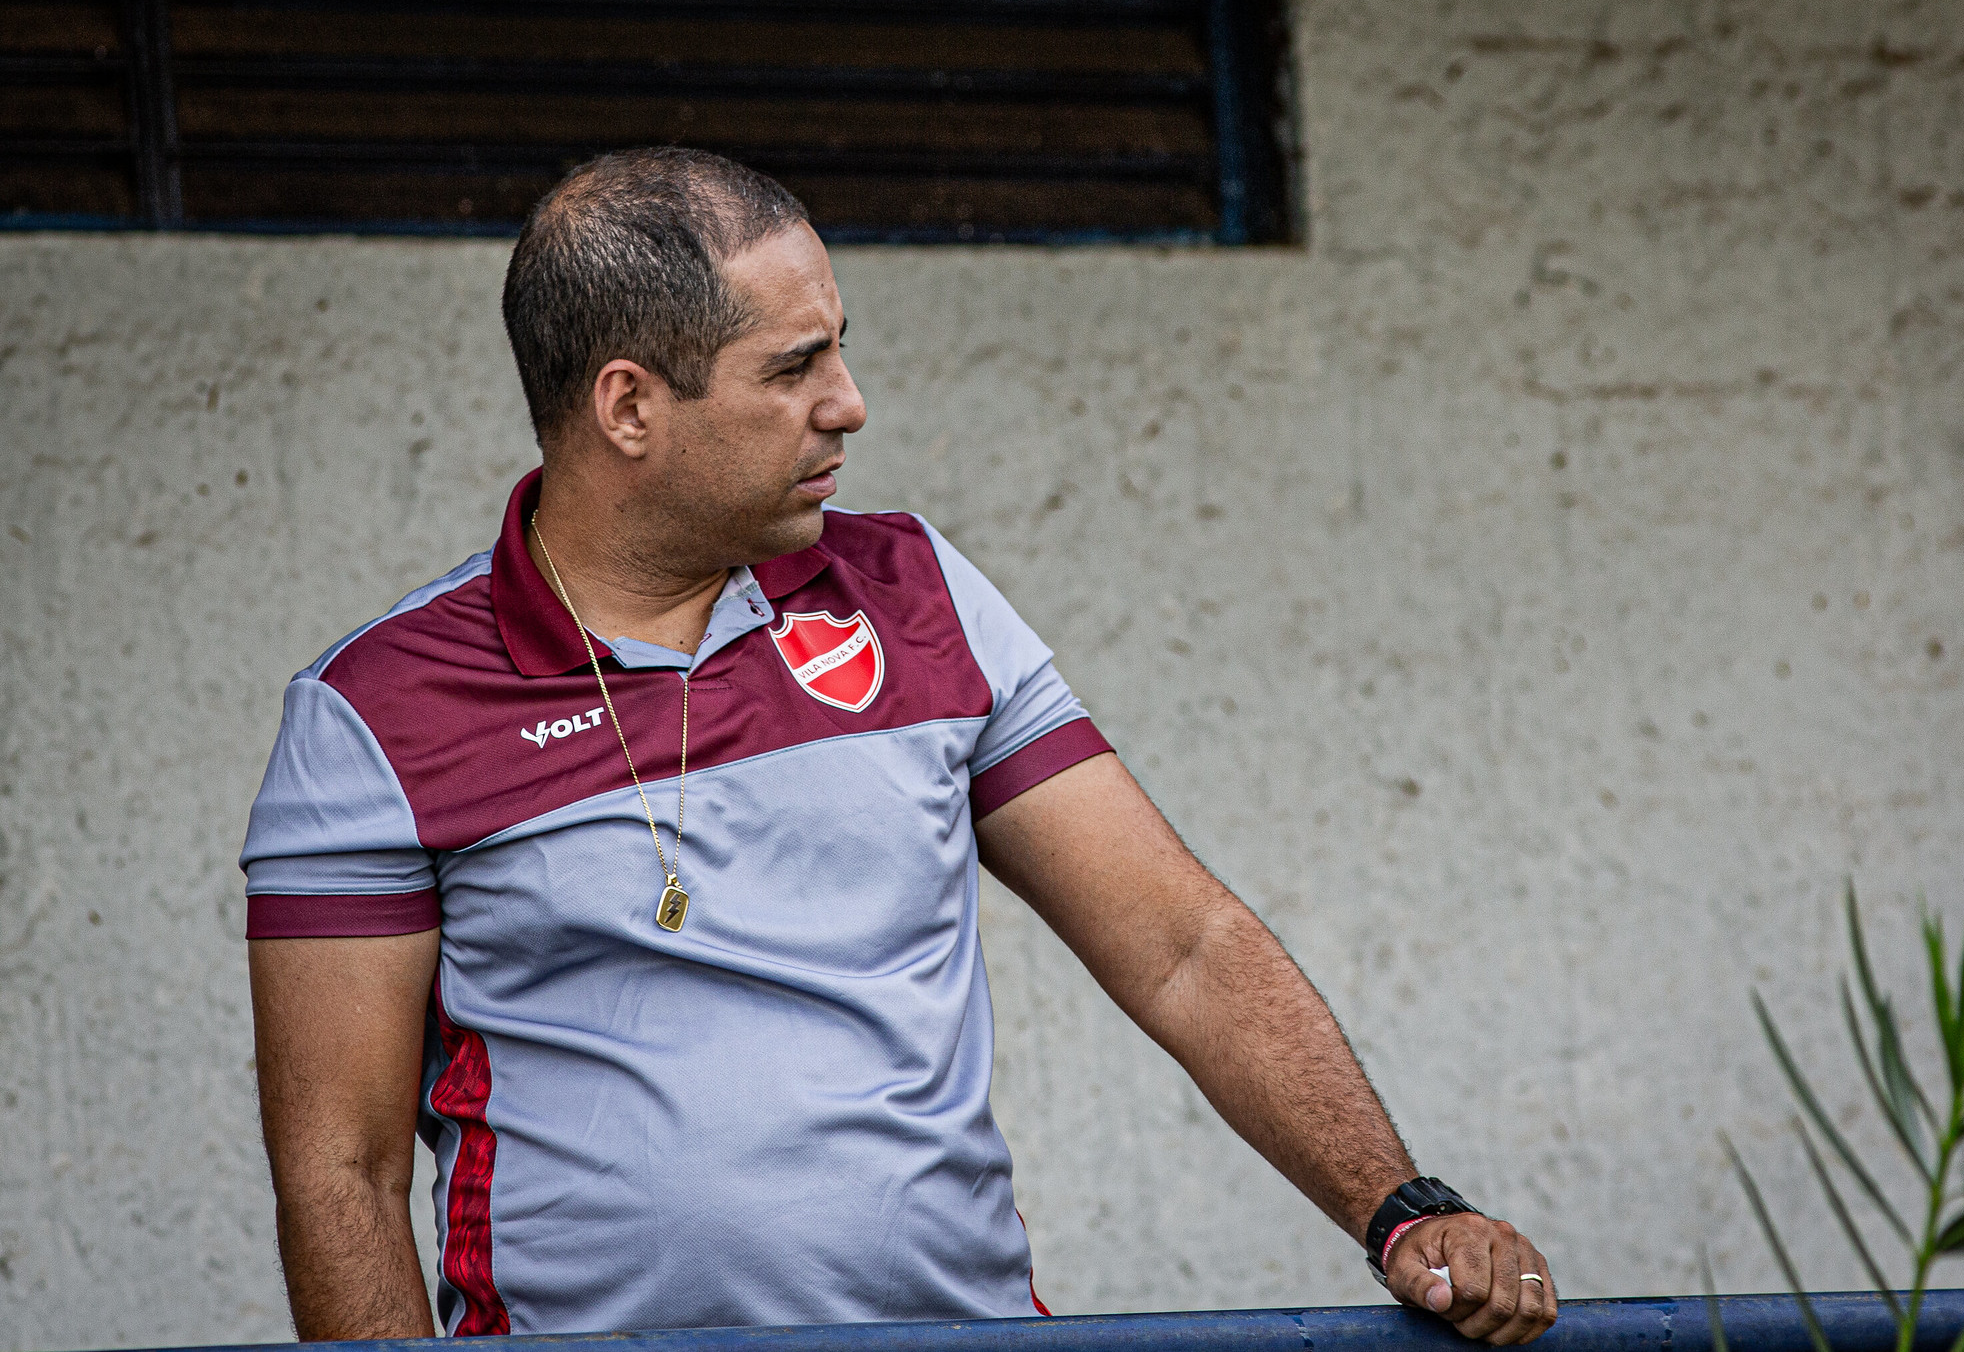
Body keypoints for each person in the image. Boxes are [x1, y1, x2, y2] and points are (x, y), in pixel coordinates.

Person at [241, 147, 1557, 1346]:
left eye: (841, 352)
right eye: (792, 368)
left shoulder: (919, 593)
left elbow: (1181, 945)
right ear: (628, 406)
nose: (850, 404)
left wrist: (1402, 1207)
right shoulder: (376, 712)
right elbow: (341, 1170)